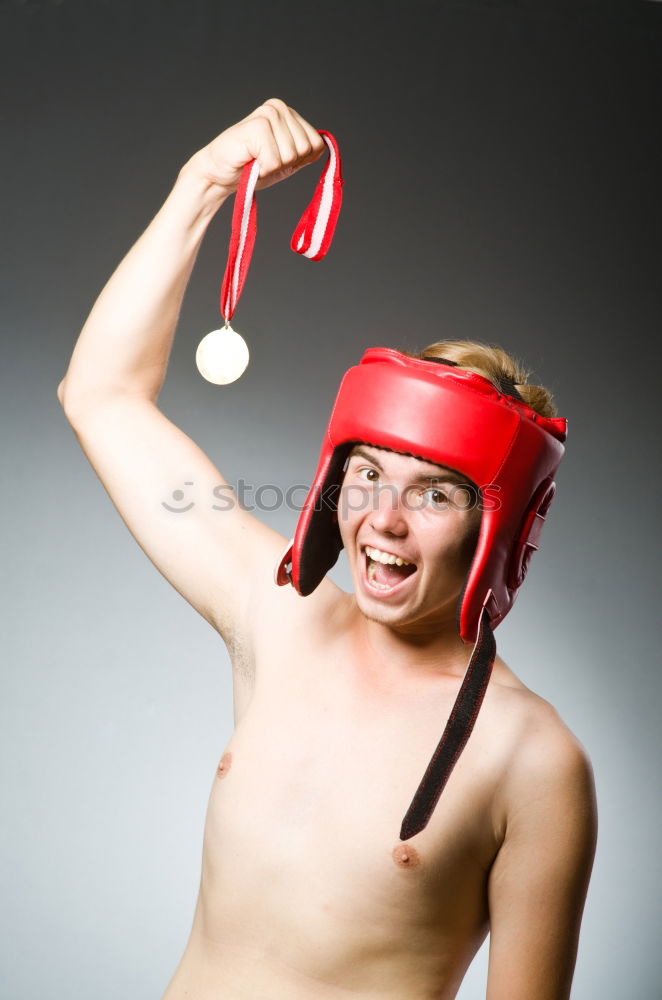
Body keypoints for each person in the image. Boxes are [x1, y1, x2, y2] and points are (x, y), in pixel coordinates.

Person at [57, 99, 598, 1000]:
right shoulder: (280, 617)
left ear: (498, 527)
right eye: (368, 474)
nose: (383, 521)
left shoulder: (532, 760)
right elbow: (101, 394)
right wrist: (204, 186)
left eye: (434, 493)